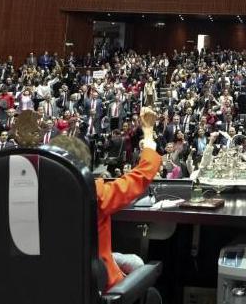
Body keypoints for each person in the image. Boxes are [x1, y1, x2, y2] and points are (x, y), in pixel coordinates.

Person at [49, 106, 162, 292]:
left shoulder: (25, 198)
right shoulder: (97, 195)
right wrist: (148, 132)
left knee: (134, 261)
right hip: (96, 282)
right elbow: (142, 175)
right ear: (84, 168)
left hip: (52, 281)